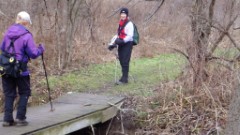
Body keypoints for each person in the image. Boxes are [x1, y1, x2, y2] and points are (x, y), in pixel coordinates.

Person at [0, 11, 45, 127]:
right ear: (25, 22)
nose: (28, 25)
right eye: (28, 23)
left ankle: (7, 119)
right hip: (20, 69)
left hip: (6, 68)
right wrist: (41, 49)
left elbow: (2, 47)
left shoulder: (8, 32)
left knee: (9, 94)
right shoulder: (26, 35)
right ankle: (20, 118)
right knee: (24, 92)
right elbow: (33, 53)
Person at [108, 7, 134, 85]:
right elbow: (118, 35)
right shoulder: (120, 23)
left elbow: (130, 36)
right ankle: (123, 77)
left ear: (127, 15)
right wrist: (112, 43)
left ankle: (125, 79)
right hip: (121, 43)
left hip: (127, 43)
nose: (122, 15)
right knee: (121, 59)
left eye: (124, 14)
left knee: (125, 60)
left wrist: (122, 41)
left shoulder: (130, 24)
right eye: (121, 14)